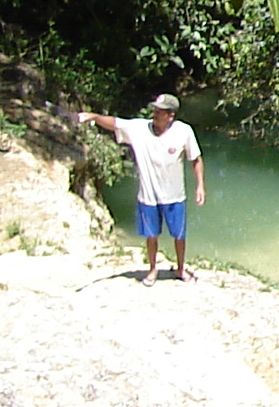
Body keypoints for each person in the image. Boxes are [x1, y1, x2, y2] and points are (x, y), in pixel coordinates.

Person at [76, 93, 205, 285]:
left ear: (170, 115)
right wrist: (94, 117)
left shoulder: (184, 131)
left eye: (160, 112)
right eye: (154, 110)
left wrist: (200, 185)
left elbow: (196, 158)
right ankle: (152, 270)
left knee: (179, 234)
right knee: (151, 235)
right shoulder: (139, 128)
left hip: (175, 195)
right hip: (148, 195)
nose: (155, 114)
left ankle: (180, 268)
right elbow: (114, 123)